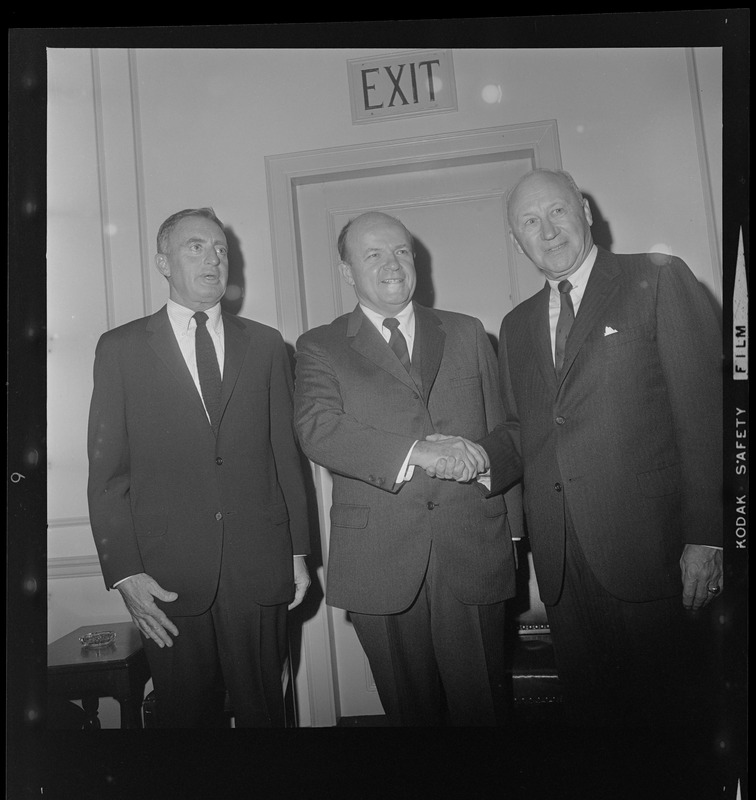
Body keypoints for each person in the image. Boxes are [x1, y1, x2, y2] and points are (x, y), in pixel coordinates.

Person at [481, 169, 723, 730]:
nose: (547, 231)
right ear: (517, 240)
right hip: (565, 565)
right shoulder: (515, 327)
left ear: (586, 210)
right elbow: (524, 430)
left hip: (655, 554)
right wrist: (472, 459)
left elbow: (708, 412)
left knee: (676, 721)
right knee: (597, 726)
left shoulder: (657, 279)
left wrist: (709, 535)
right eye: (529, 222)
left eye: (558, 212)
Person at [293, 211, 522, 726]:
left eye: (400, 251)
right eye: (372, 254)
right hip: (380, 559)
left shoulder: (466, 332)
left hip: (474, 548)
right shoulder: (320, 346)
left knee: (484, 710)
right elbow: (318, 429)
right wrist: (421, 452)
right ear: (348, 272)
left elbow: (510, 428)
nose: (391, 264)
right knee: (409, 714)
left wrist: (484, 471)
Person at [87, 207, 311, 728]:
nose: (213, 258)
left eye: (221, 249)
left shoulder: (266, 345)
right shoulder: (120, 349)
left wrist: (298, 552)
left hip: (260, 568)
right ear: (163, 261)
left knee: (267, 718)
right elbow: (107, 476)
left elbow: (285, 455)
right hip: (168, 579)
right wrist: (124, 575)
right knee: (186, 723)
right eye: (196, 247)